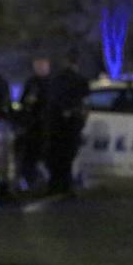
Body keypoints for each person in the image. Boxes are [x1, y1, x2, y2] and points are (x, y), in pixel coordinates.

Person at [44, 54, 89, 196]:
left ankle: (54, 185)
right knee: (68, 156)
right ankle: (66, 186)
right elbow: (84, 102)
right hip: (72, 124)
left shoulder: (56, 80)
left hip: (55, 123)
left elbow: (51, 101)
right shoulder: (80, 80)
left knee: (55, 155)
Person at [16, 56, 52, 190]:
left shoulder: (51, 83)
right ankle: (29, 179)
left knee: (45, 154)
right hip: (33, 125)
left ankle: (43, 179)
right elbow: (23, 102)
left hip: (47, 125)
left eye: (43, 66)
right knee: (30, 154)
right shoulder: (31, 83)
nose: (41, 69)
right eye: (39, 66)